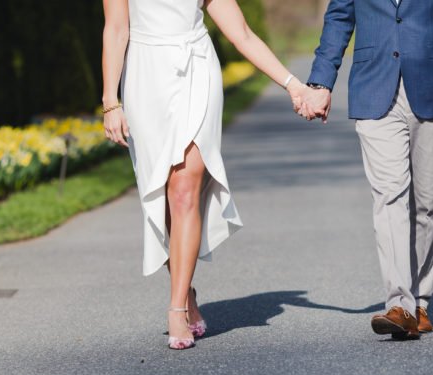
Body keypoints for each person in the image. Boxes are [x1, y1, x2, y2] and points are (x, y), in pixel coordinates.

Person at [101, 0, 317, 349]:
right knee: (162, 196)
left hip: (197, 72)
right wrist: (111, 101)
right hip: (145, 78)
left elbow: (242, 34)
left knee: (184, 191)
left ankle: (175, 309)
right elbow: (115, 28)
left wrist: (293, 85)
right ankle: (185, 291)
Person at [300, 0, 433, 340]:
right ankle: (400, 304)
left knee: (427, 204)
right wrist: (321, 82)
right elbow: (339, 17)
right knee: (390, 196)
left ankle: (420, 303)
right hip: (374, 86)